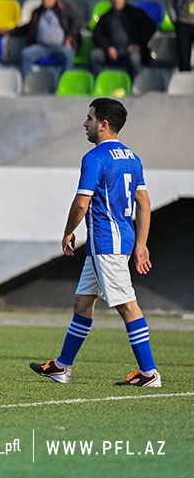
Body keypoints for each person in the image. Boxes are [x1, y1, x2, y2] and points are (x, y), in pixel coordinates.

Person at [30, 98, 160, 387]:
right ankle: (62, 366)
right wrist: (141, 243)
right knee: (82, 302)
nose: (84, 124)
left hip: (105, 243)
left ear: (103, 124)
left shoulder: (95, 158)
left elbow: (81, 204)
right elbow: (145, 204)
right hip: (114, 242)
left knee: (128, 306)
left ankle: (149, 373)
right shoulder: (132, 157)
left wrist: (67, 233)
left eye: (89, 118)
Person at [13, 0, 82, 77]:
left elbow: (77, 23)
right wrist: (10, 31)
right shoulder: (37, 12)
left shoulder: (66, 9)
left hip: (60, 46)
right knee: (26, 54)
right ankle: (29, 82)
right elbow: (28, 27)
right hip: (41, 47)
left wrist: (70, 37)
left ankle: (63, 83)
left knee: (68, 55)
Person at [89, 0, 155, 78]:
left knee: (135, 58)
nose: (116, 0)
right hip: (112, 51)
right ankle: (100, 83)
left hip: (131, 51)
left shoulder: (136, 13)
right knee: (94, 56)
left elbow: (150, 27)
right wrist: (108, 47)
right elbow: (97, 34)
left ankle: (135, 85)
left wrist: (138, 44)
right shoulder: (106, 17)